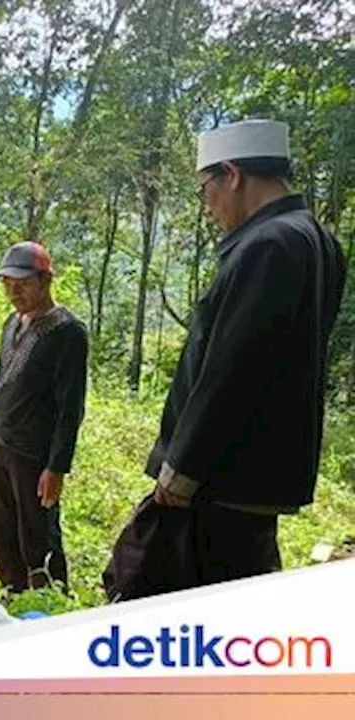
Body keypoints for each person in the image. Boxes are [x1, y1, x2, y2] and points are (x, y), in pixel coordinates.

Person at [105, 119, 346, 600]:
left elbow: (232, 369)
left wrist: (183, 467)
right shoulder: (319, 241)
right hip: (262, 477)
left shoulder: (269, 245)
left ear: (231, 174)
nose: (207, 206)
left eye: (205, 188)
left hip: (222, 478)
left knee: (181, 606)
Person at [0, 242, 88, 592]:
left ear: (46, 280)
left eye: (23, 283)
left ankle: (51, 600)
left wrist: (57, 466)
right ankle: (14, 593)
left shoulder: (67, 332)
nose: (14, 291)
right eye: (7, 284)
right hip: (2, 446)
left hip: (34, 454)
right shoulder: (12, 323)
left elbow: (71, 407)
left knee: (37, 534)